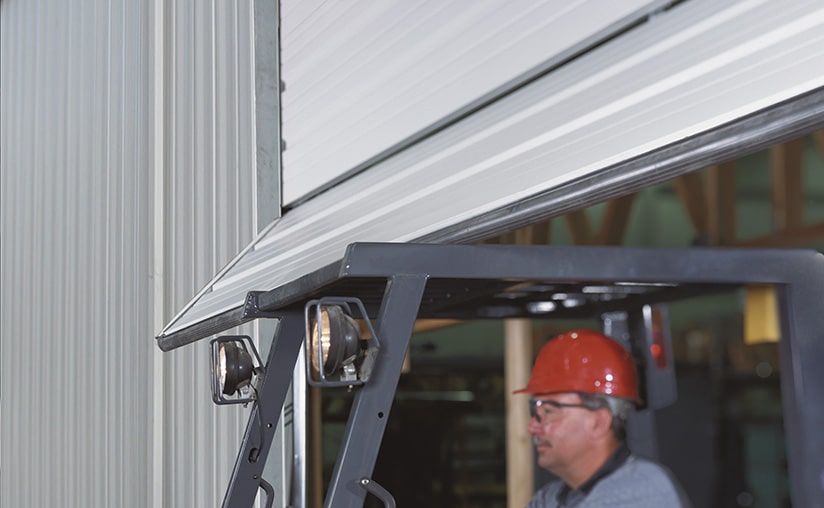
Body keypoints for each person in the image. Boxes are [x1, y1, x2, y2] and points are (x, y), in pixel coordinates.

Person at [514, 329, 692, 508]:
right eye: (535, 411)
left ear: (598, 422)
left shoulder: (643, 493)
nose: (532, 427)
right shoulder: (551, 498)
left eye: (549, 411)